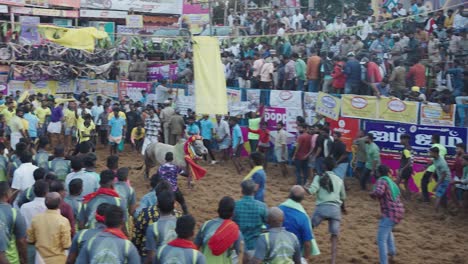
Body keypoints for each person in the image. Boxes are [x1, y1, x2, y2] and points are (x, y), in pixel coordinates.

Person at [308, 157, 346, 264]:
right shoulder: (339, 179)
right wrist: (343, 208)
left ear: (324, 166)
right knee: (334, 236)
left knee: (309, 228)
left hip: (322, 208)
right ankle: (333, 261)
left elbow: (312, 191)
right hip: (335, 210)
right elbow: (343, 197)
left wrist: (304, 188)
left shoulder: (319, 177)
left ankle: (305, 251)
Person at [370, 165, 404, 264]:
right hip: (399, 211)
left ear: (379, 173)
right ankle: (392, 252)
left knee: (381, 239)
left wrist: (372, 194)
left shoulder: (382, 180)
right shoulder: (391, 182)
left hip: (390, 212)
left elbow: (379, 192)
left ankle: (384, 262)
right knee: (388, 231)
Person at [195, 196, 243, 264]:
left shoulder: (206, 225)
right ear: (233, 212)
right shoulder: (235, 231)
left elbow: (194, 248)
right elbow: (241, 255)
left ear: (219, 210)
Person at [27, 192, 71, 263]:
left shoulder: (36, 219)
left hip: (40, 259)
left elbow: (30, 240)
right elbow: (66, 245)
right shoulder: (63, 221)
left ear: (45, 203)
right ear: (59, 204)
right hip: (59, 260)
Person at [279, 185, 319, 262]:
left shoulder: (277, 210)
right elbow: (307, 244)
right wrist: (304, 259)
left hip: (276, 254)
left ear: (289, 195)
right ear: (302, 199)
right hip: (294, 256)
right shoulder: (303, 217)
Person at [233, 180, 267, 261]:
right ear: (254, 191)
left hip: (239, 247)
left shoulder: (235, 205)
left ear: (242, 191)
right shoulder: (262, 206)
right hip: (255, 247)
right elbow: (269, 223)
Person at [144, 191, 178, 264]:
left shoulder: (152, 228)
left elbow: (151, 257)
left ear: (157, 204)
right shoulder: (180, 222)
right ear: (174, 205)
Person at [0, 182, 27, 264]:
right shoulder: (14, 213)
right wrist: (24, 260)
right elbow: (21, 242)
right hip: (11, 260)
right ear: (7, 194)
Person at [421, 135, 447, 202]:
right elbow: (444, 159)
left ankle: (426, 199)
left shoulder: (434, 147)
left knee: (423, 183)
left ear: (434, 139)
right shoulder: (444, 148)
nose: (431, 140)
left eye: (431, 139)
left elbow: (433, 159)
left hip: (432, 169)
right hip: (439, 169)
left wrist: (426, 166)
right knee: (440, 185)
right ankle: (443, 201)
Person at [430, 147, 451, 213]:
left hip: (445, 179)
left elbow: (444, 175)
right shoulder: (435, 159)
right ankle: (445, 208)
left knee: (438, 195)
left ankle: (436, 211)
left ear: (435, 153)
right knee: (441, 195)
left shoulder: (442, 162)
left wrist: (437, 185)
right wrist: (431, 175)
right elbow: (436, 167)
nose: (429, 154)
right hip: (441, 178)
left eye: (431, 152)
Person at [397, 134, 413, 200]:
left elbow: (409, 161)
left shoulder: (406, 149)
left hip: (405, 169)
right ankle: (408, 198)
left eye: (401, 139)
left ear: (406, 140)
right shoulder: (409, 148)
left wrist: (402, 169)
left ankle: (404, 196)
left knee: (396, 183)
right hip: (409, 169)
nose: (400, 141)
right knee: (406, 184)